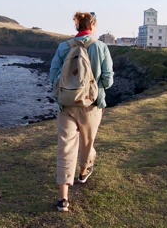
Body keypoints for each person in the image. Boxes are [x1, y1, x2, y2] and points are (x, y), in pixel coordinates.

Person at [49, 11, 114, 212]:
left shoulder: (63, 47)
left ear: (77, 26)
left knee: (65, 148)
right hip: (91, 105)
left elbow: (53, 76)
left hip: (67, 105)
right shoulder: (101, 47)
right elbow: (108, 80)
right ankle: (84, 172)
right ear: (92, 25)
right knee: (87, 143)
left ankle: (63, 199)